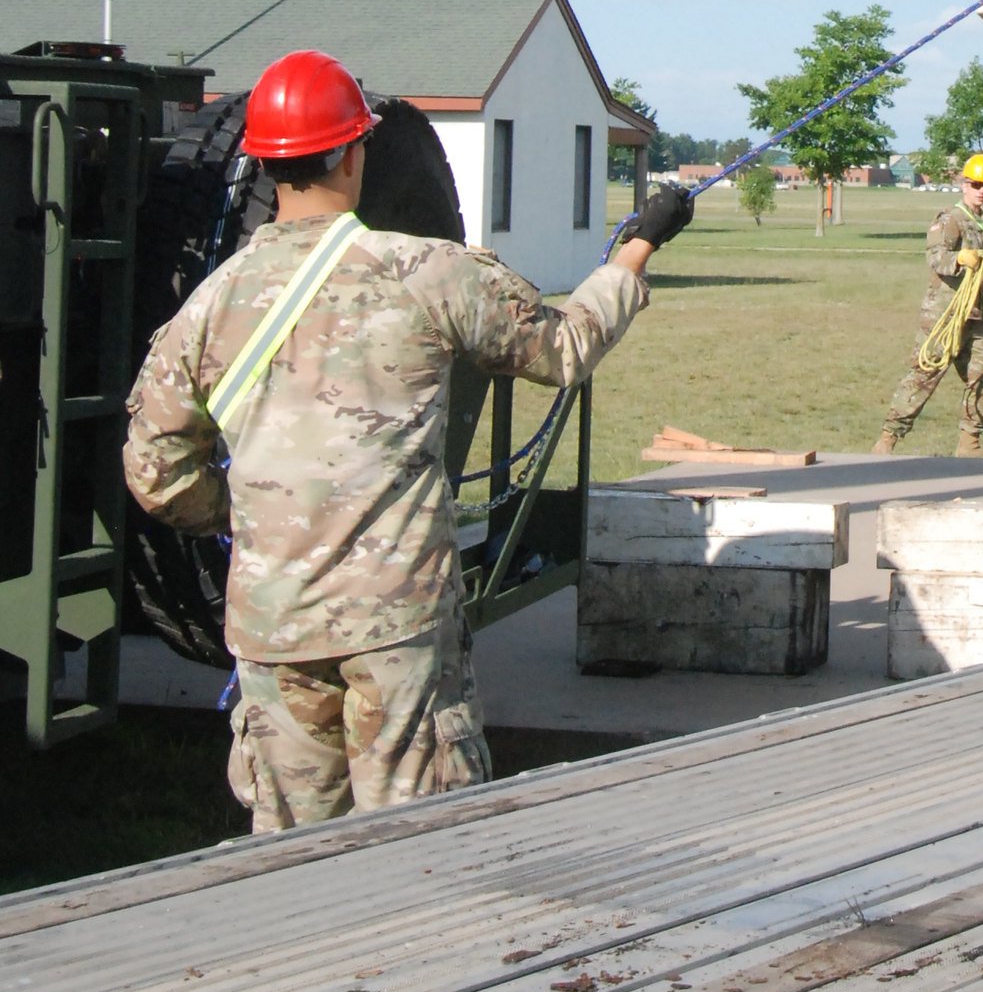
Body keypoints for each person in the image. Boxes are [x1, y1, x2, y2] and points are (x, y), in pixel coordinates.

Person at [123, 48, 693, 832]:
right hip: (400, 625)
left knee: (286, 856)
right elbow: (564, 350)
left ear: (261, 162)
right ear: (355, 154)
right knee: (418, 851)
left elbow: (156, 471)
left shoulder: (210, 304)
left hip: (272, 624)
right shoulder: (425, 271)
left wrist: (257, 514)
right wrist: (640, 244)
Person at [872, 151, 983, 457]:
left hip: (972, 316)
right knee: (923, 376)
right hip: (943, 316)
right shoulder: (950, 219)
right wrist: (959, 258)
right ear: (964, 184)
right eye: (976, 184)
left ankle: (970, 444)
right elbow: (935, 258)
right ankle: (887, 440)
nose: (981, 190)